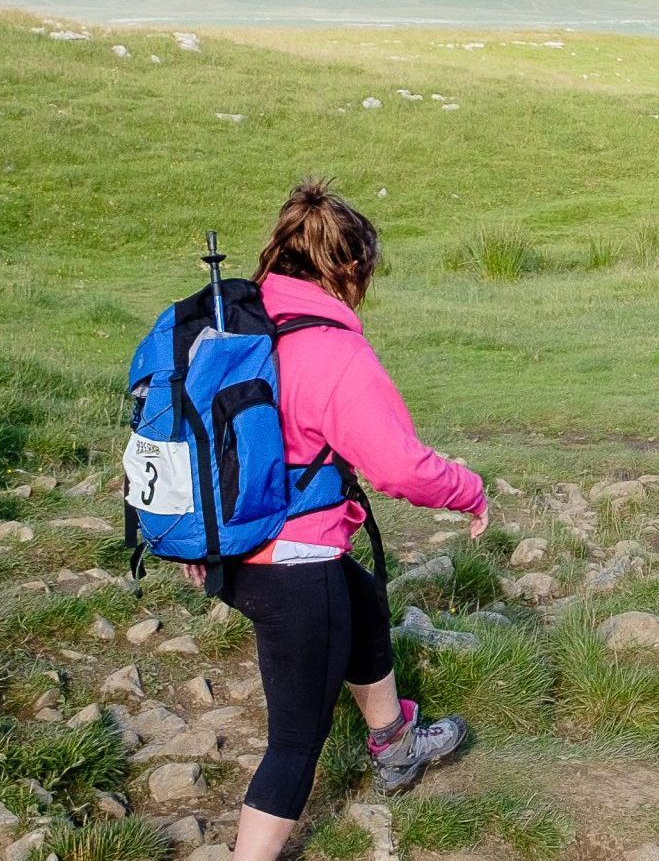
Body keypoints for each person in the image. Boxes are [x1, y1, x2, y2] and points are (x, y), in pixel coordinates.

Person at [223, 181, 485, 861]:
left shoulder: (232, 322)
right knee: (292, 746)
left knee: (362, 602)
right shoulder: (335, 353)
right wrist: (470, 491)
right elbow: (400, 469)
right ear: (348, 271)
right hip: (288, 564)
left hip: (225, 550)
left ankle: (395, 745)